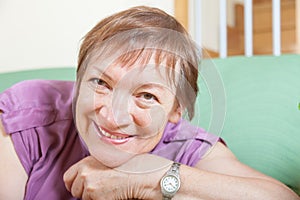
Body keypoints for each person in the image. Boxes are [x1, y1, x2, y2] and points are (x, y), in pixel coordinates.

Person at [0, 6, 299, 200]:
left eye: (146, 95)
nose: (114, 116)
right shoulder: (31, 118)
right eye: (101, 83)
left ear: (176, 110)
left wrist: (155, 177)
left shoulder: (186, 146)